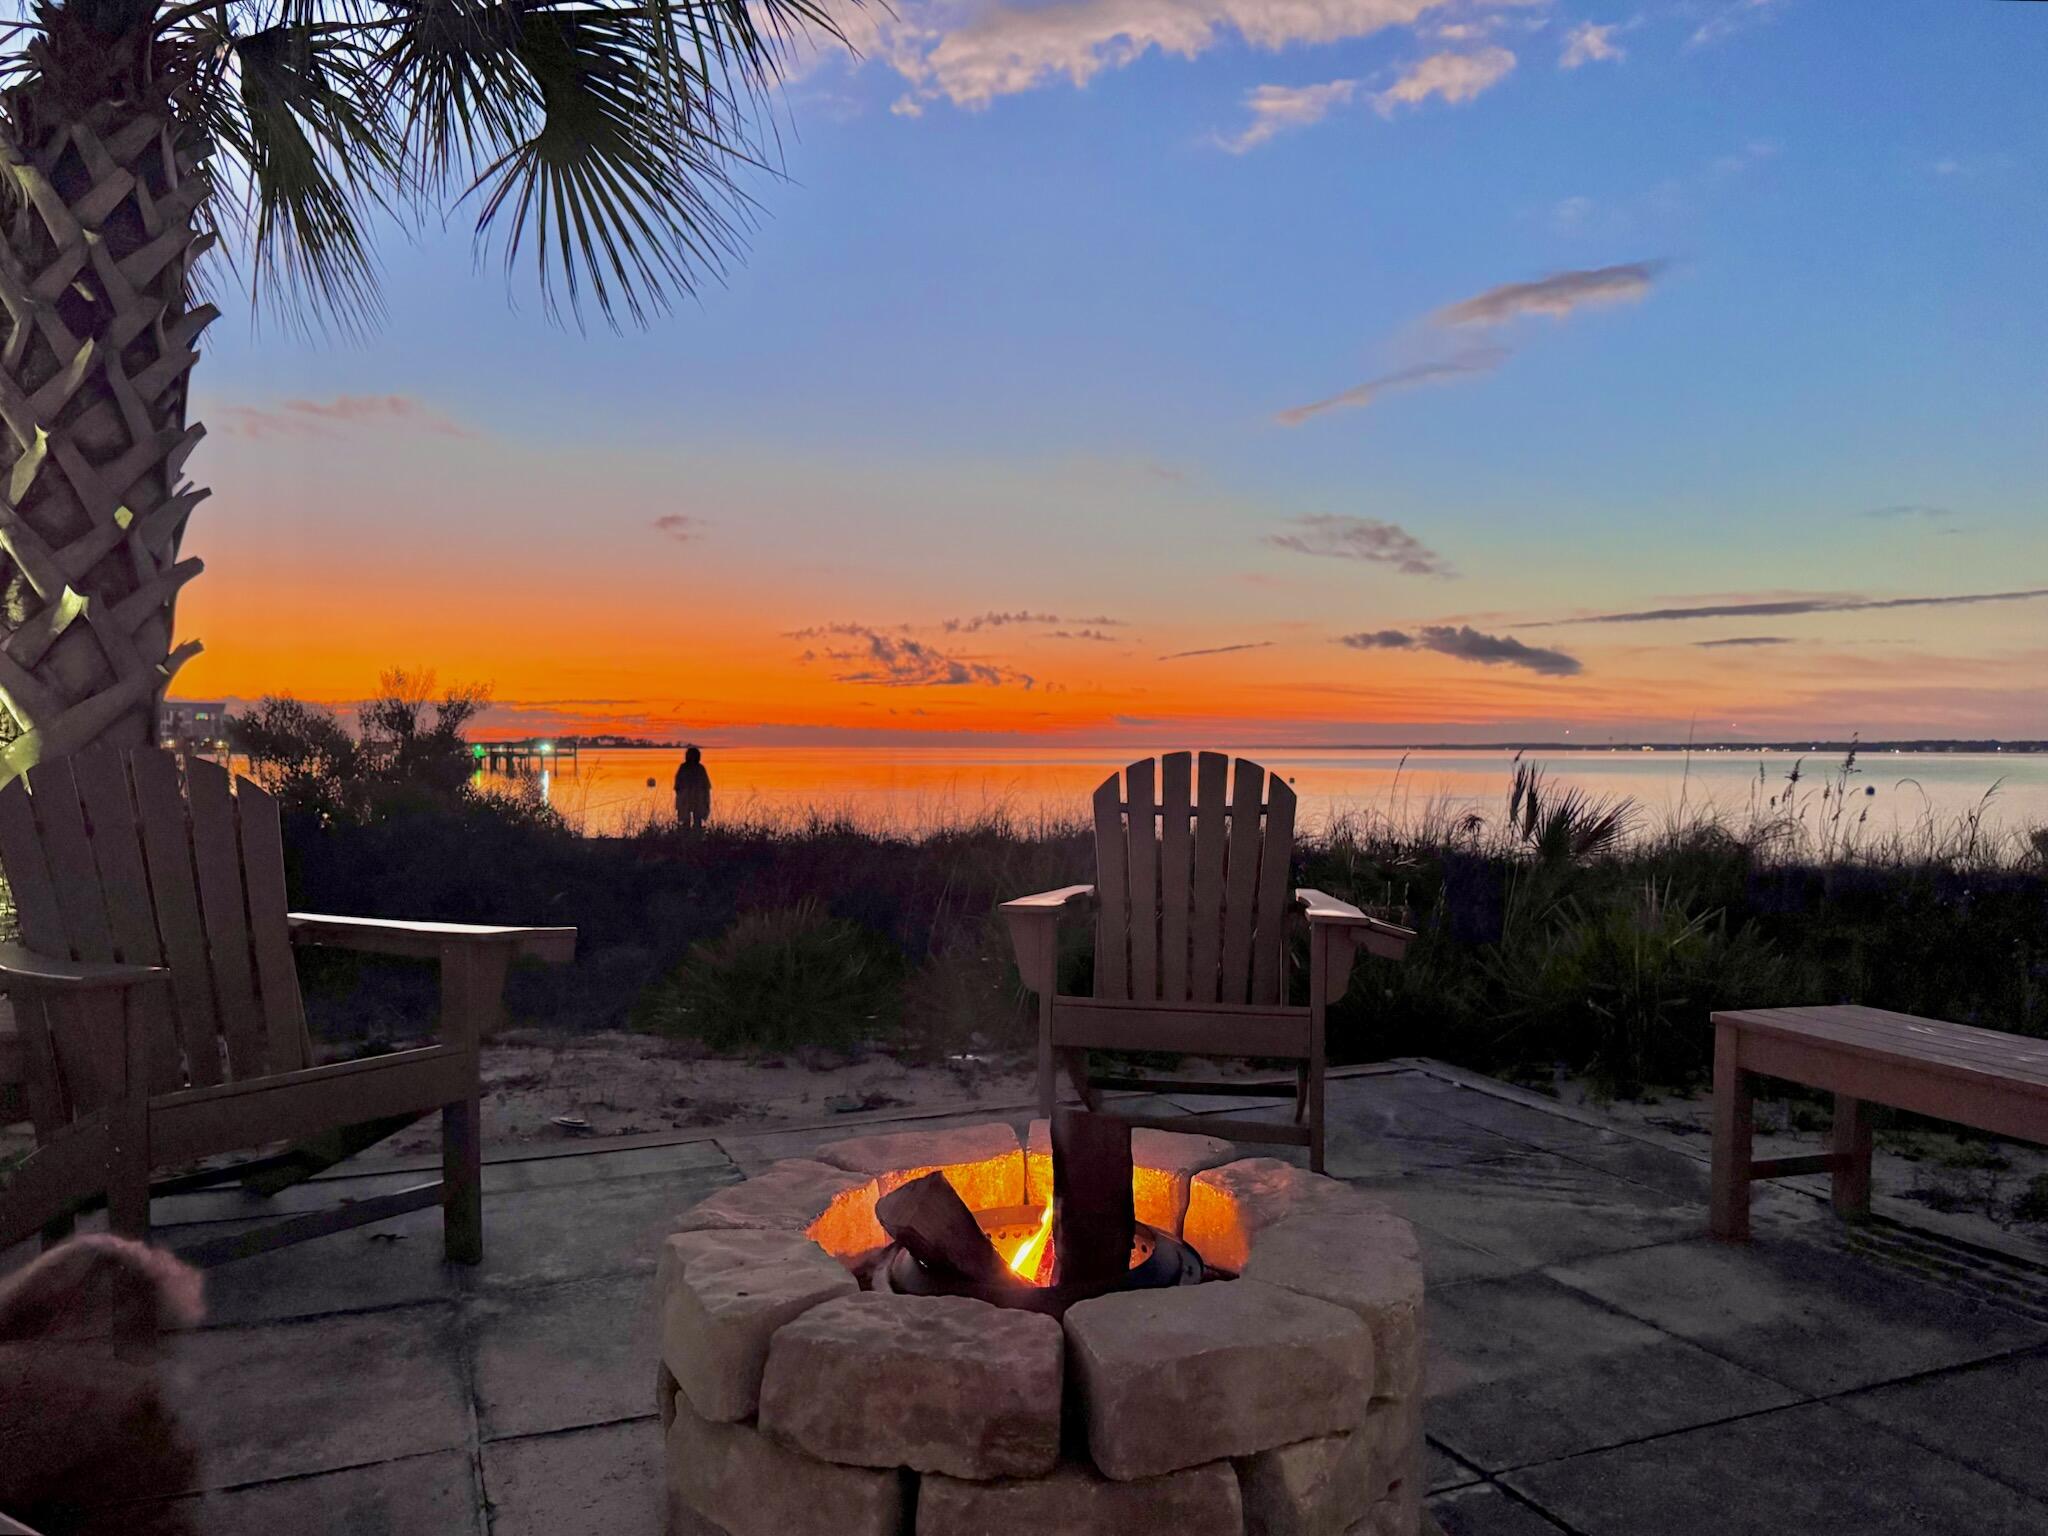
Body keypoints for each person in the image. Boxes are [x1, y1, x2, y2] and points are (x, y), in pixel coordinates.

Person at [673, 744, 712, 830]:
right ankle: (686, 835)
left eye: (694, 755)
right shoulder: (683, 767)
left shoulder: (700, 768)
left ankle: (696, 835)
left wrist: (705, 798)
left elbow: (706, 785)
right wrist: (680, 794)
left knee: (697, 818)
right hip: (685, 797)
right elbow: (678, 783)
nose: (692, 757)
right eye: (690, 755)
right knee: (685, 820)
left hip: (698, 797)